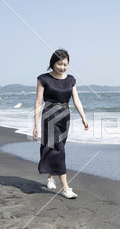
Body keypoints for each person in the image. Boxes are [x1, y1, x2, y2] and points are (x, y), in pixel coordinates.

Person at [33, 49, 89, 198]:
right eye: (59, 63)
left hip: (65, 116)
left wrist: (83, 117)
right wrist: (36, 124)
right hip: (49, 116)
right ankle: (65, 188)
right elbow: (39, 102)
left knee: (58, 148)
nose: (62, 67)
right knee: (59, 150)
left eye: (65, 64)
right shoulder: (43, 79)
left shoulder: (70, 79)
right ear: (53, 63)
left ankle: (50, 177)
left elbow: (76, 100)